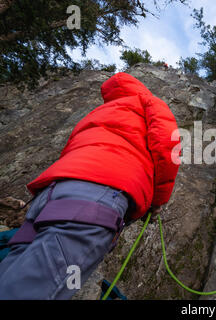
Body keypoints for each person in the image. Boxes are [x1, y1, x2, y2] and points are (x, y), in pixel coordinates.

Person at [0, 72, 181, 299]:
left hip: (49, 196)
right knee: (31, 291)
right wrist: (157, 201)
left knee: (9, 277)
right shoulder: (148, 102)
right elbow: (168, 145)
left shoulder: (100, 111)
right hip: (93, 200)